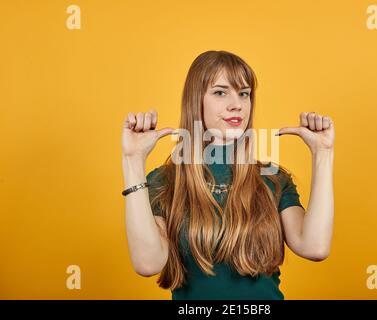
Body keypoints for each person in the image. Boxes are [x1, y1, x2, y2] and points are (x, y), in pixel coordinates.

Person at [121, 50, 335, 300]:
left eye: (244, 93)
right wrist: (132, 161)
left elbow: (314, 247)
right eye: (220, 92)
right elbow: (148, 264)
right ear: (195, 101)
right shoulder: (165, 180)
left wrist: (323, 153)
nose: (237, 104)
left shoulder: (272, 177)